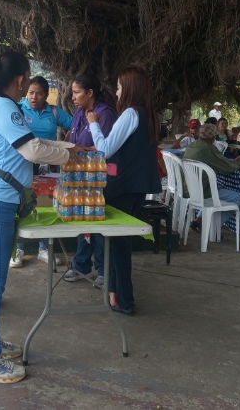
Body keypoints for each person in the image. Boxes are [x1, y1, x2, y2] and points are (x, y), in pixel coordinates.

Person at [0, 51, 81, 384]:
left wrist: (66, 148)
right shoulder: (5, 107)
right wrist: (68, 155)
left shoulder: (0, 105)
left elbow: (32, 142)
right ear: (22, 79)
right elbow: (32, 151)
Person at [88, 66, 162, 316]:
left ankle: (124, 300)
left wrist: (94, 124)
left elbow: (105, 149)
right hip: (137, 189)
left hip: (121, 188)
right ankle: (115, 295)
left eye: (119, 88)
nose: (117, 93)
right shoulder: (150, 116)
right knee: (118, 243)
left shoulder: (131, 114)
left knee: (118, 246)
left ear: (130, 89)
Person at [12, 76, 73, 268]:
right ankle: (18, 249)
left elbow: (74, 125)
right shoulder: (18, 109)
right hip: (24, 164)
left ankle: (44, 248)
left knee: (47, 204)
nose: (34, 97)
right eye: (31, 92)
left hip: (48, 165)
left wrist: (67, 143)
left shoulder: (54, 112)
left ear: (46, 95)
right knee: (22, 203)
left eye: (39, 93)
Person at [64, 74, 118, 287]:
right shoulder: (79, 112)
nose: (73, 97)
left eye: (77, 92)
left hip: (100, 178)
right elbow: (74, 141)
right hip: (80, 177)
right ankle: (81, 265)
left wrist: (80, 149)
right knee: (83, 221)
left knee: (99, 224)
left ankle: (103, 270)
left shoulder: (105, 114)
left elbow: (104, 148)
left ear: (90, 93)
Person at [183, 123, 240, 232]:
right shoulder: (209, 149)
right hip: (203, 191)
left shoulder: (192, 146)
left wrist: (231, 161)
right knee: (238, 197)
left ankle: (198, 221)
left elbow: (218, 161)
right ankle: (210, 227)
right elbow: (228, 168)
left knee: (217, 190)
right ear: (213, 137)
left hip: (189, 189)